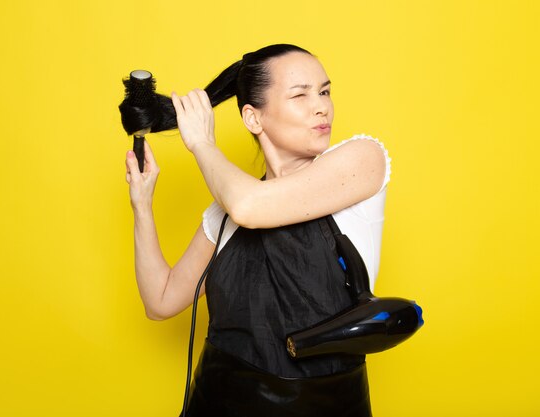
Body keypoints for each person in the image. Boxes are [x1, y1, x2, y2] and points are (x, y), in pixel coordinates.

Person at [124, 44, 391, 417]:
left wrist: (201, 143)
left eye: (325, 91)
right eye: (300, 94)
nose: (321, 106)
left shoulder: (362, 159)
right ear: (253, 119)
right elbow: (160, 301)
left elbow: (250, 207)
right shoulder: (227, 211)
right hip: (215, 400)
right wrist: (142, 205)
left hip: (326, 405)